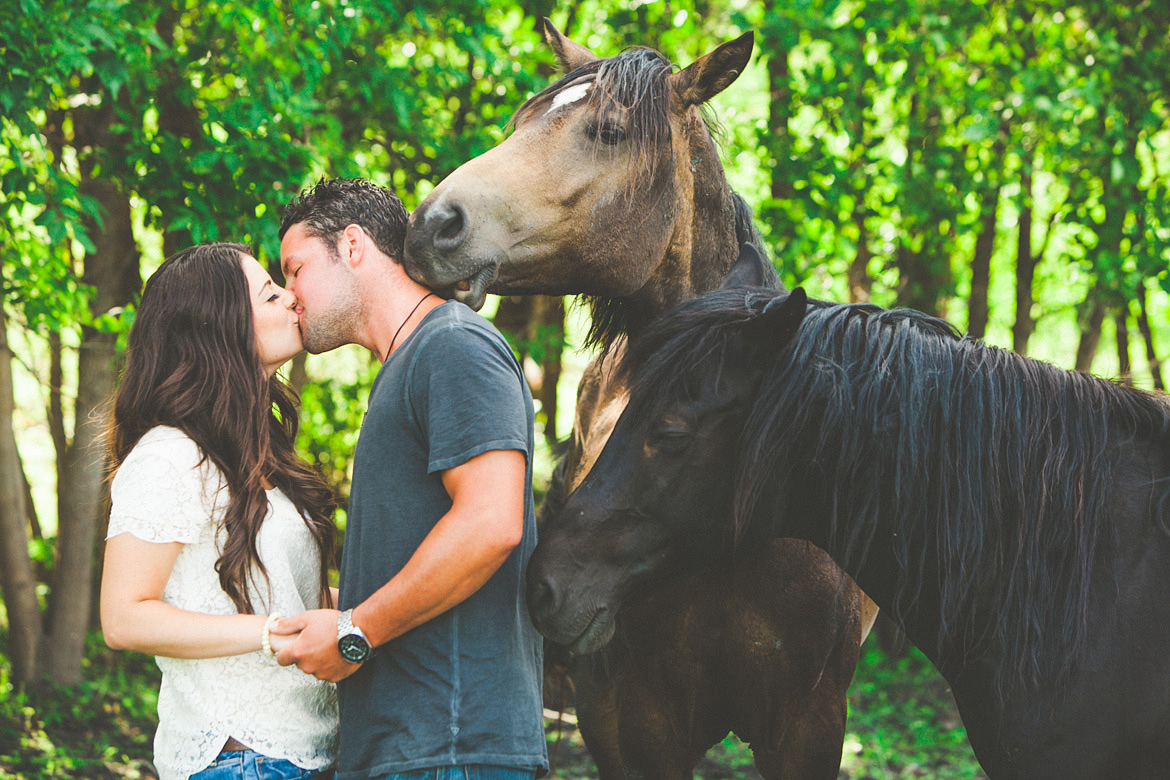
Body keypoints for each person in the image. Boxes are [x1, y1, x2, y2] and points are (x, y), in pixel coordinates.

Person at [272, 177, 548, 780]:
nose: (290, 294)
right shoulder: (407, 363)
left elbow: (490, 522)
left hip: (455, 747)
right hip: (409, 748)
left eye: (295, 269)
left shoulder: (452, 344)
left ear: (352, 245)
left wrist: (353, 631)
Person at [100, 242, 339, 780]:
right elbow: (123, 616)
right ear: (219, 325)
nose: (292, 297)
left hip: (307, 753)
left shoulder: (257, 452)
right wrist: (271, 632)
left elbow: (288, 597)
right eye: (270, 293)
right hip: (238, 763)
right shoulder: (169, 454)